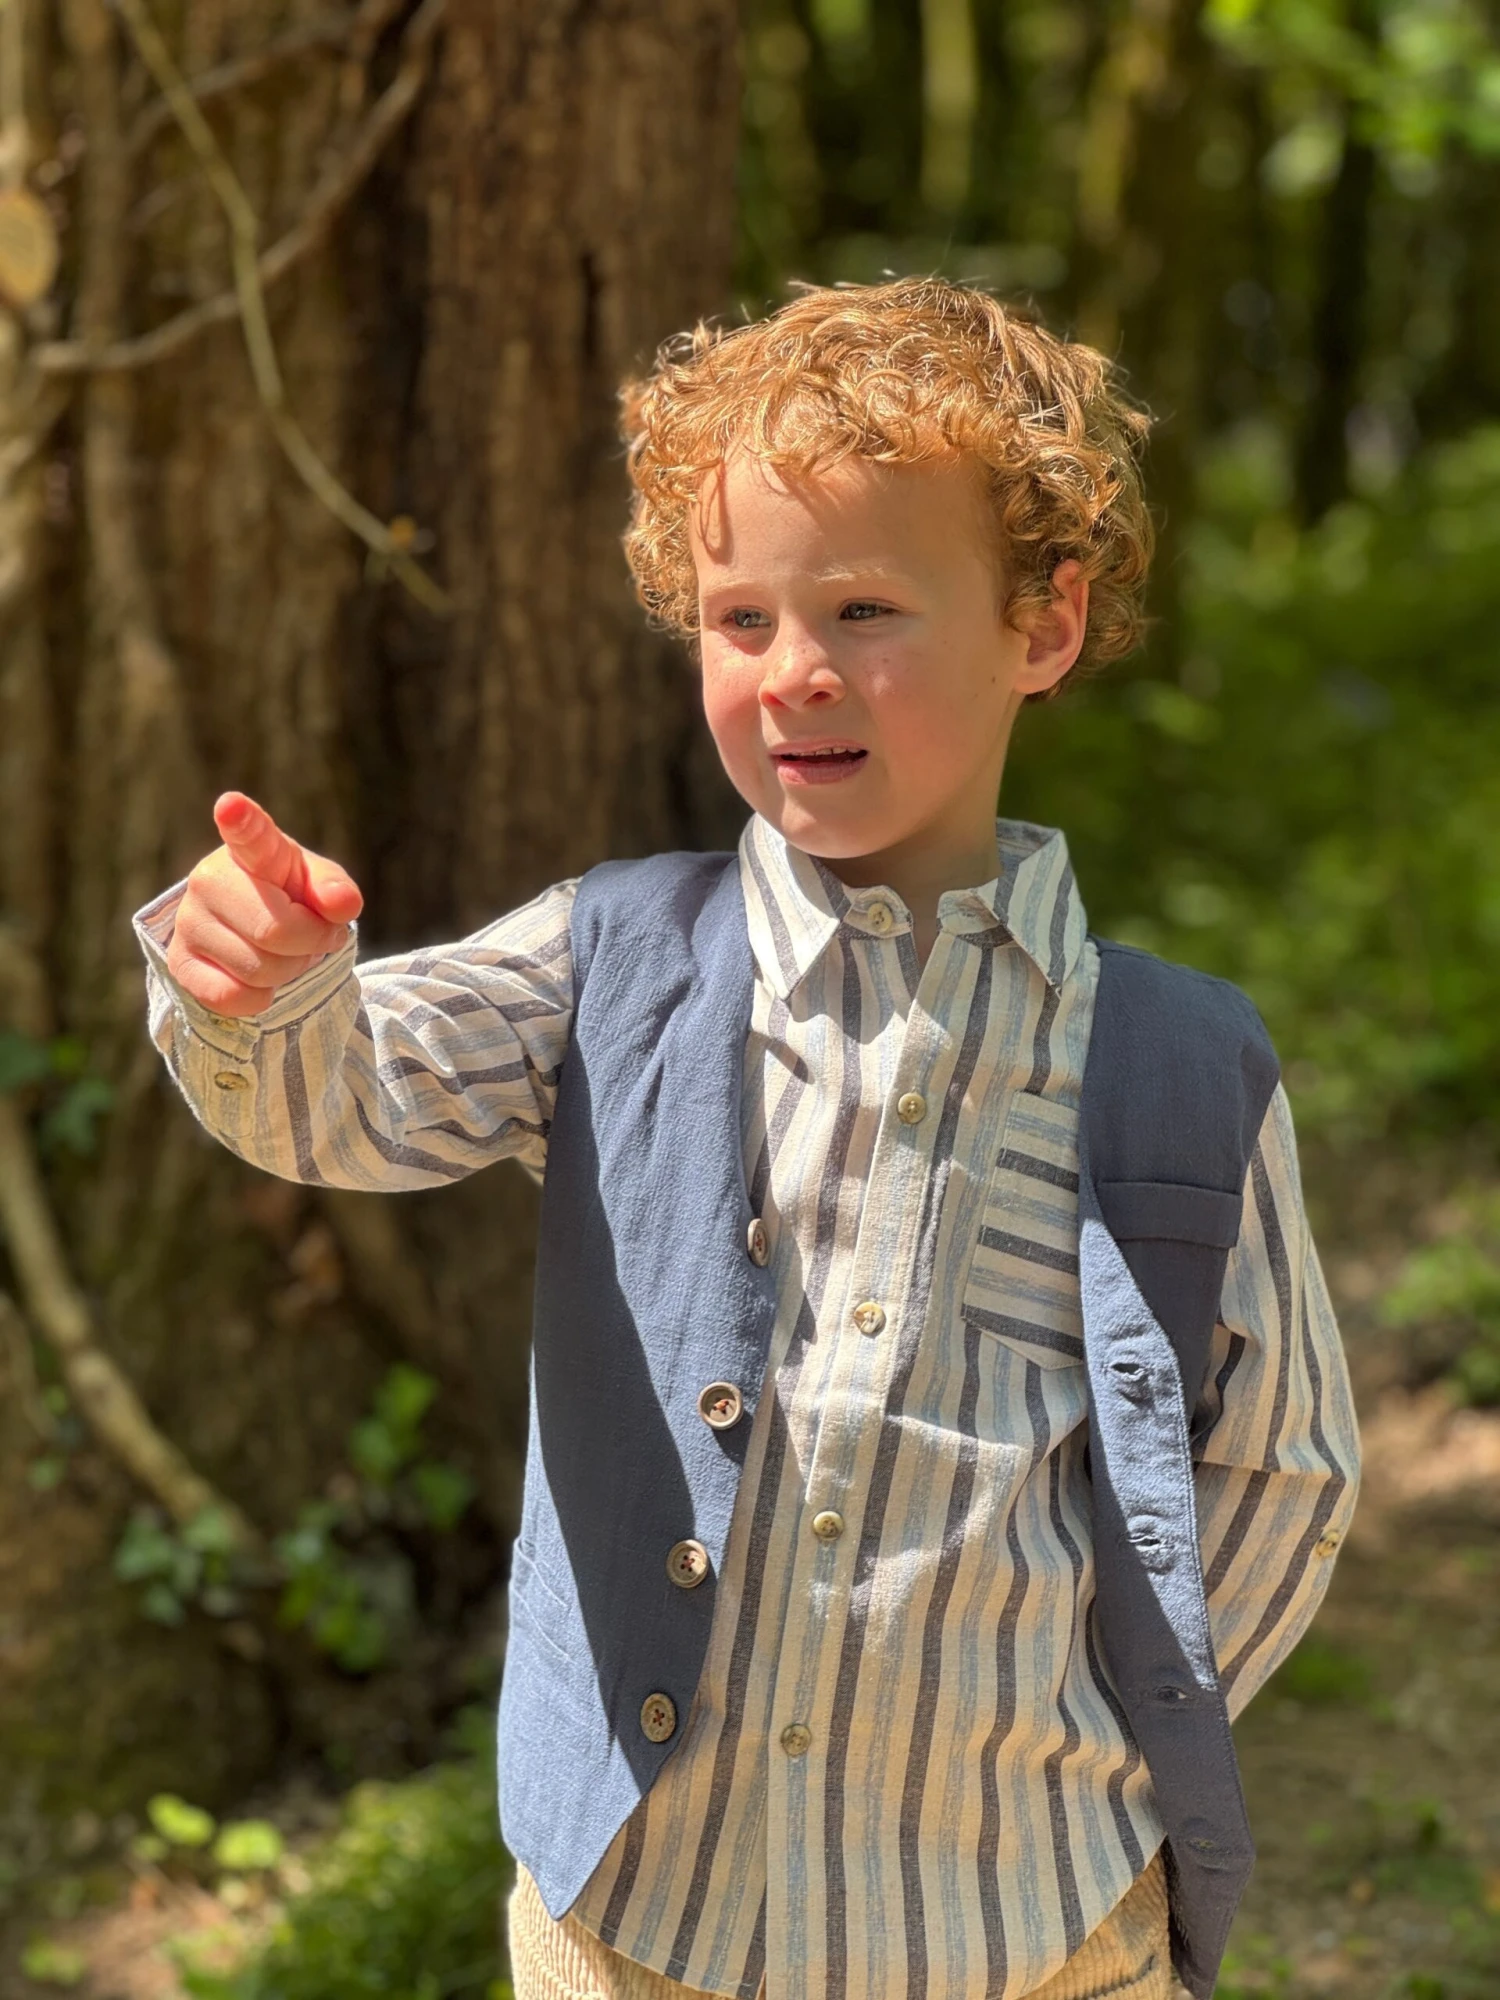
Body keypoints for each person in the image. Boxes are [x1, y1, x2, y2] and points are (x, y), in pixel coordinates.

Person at [136, 278, 1359, 2000]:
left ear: (1045, 623)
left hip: (1027, 1930)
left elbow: (1284, 1463)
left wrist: (1104, 1706)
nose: (794, 672)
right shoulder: (608, 963)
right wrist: (260, 993)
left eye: (862, 604)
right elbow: (352, 1091)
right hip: (637, 1923)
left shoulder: (1177, 1065)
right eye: (737, 617)